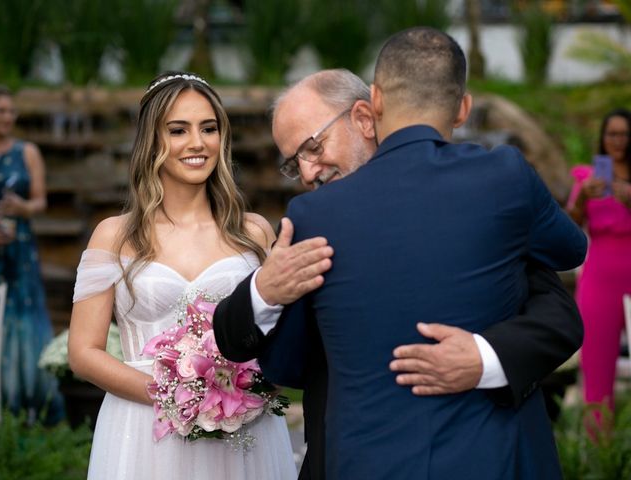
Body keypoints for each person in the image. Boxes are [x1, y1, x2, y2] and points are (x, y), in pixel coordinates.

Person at [214, 67, 585, 480]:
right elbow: (284, 362)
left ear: (364, 118)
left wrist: (484, 357)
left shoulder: (484, 199)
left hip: (491, 453)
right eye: (292, 162)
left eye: (314, 147)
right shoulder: (310, 226)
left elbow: (560, 318)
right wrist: (265, 292)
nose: (307, 172)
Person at [67, 72, 296, 479]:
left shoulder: (255, 231)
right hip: (142, 430)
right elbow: (84, 352)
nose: (197, 143)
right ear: (152, 141)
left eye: (208, 128)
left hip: (244, 428)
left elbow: (283, 334)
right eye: (178, 130)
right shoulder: (115, 235)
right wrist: (176, 394)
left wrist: (256, 388)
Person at [0, 85, 64, 424]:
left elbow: (41, 201)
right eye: (0, 110)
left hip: (19, 250)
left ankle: (29, 410)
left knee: (24, 321)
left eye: (11, 111)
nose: (8, 117)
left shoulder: (27, 151)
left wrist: (22, 207)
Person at [567, 108, 631, 414]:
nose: (618, 141)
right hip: (600, 281)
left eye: (624, 134)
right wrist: (582, 198)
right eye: (612, 134)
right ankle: (600, 455)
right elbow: (569, 227)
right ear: (603, 138)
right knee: (597, 371)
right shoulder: (588, 177)